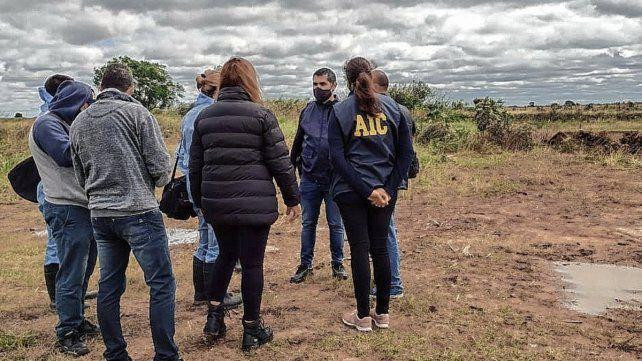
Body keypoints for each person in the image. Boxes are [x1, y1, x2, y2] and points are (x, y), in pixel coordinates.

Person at [70, 64, 180, 361]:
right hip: (138, 211)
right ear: (129, 87)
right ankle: (166, 355)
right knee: (160, 284)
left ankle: (115, 353)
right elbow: (160, 171)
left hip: (101, 214)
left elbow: (80, 176)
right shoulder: (137, 114)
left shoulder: (79, 122)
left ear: (101, 85)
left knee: (110, 284)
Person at [189, 57, 301, 351]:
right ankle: (252, 329)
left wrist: (200, 201)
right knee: (252, 264)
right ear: (251, 81)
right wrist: (292, 198)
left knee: (225, 256)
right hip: (255, 205)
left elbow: (195, 165)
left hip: (217, 204)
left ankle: (214, 319)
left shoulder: (205, 117)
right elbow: (280, 163)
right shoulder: (262, 116)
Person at [328, 57, 413, 332]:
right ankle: (383, 314)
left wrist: (367, 190)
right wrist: (386, 189)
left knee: (360, 250)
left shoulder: (340, 111)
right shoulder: (395, 109)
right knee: (380, 249)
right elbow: (405, 155)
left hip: (351, 192)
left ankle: (363, 316)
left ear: (347, 79)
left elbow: (337, 158)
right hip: (385, 193)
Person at [28, 80, 99, 356]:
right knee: (71, 272)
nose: (88, 107)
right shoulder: (48, 124)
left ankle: (77, 320)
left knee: (84, 269)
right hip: (67, 206)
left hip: (81, 205)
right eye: (86, 102)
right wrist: (99, 143)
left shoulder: (62, 122)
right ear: (75, 102)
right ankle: (67, 330)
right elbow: (64, 154)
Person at [176, 69, 242, 309]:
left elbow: (182, 154)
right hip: (209, 185)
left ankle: (202, 293)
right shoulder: (208, 114)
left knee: (204, 240)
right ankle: (218, 294)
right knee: (217, 242)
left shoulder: (190, 114)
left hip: (194, 184)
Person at [289, 68, 347, 283]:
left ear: (333, 86)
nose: (317, 88)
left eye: (322, 84)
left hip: (335, 180)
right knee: (308, 223)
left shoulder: (343, 110)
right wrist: (291, 173)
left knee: (335, 224)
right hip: (310, 178)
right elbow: (297, 143)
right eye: (315, 84)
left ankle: (338, 264)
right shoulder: (308, 110)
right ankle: (305, 265)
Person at [369, 69, 417, 299]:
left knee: (385, 231)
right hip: (395, 178)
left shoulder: (382, 109)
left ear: (375, 86)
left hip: (382, 180)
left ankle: (393, 284)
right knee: (386, 228)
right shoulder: (402, 110)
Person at [36, 74, 74, 310]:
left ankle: (65, 293)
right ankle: (58, 297)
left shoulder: (53, 116)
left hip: (56, 187)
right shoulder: (49, 121)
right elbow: (64, 155)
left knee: (63, 244)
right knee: (56, 242)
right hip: (54, 190)